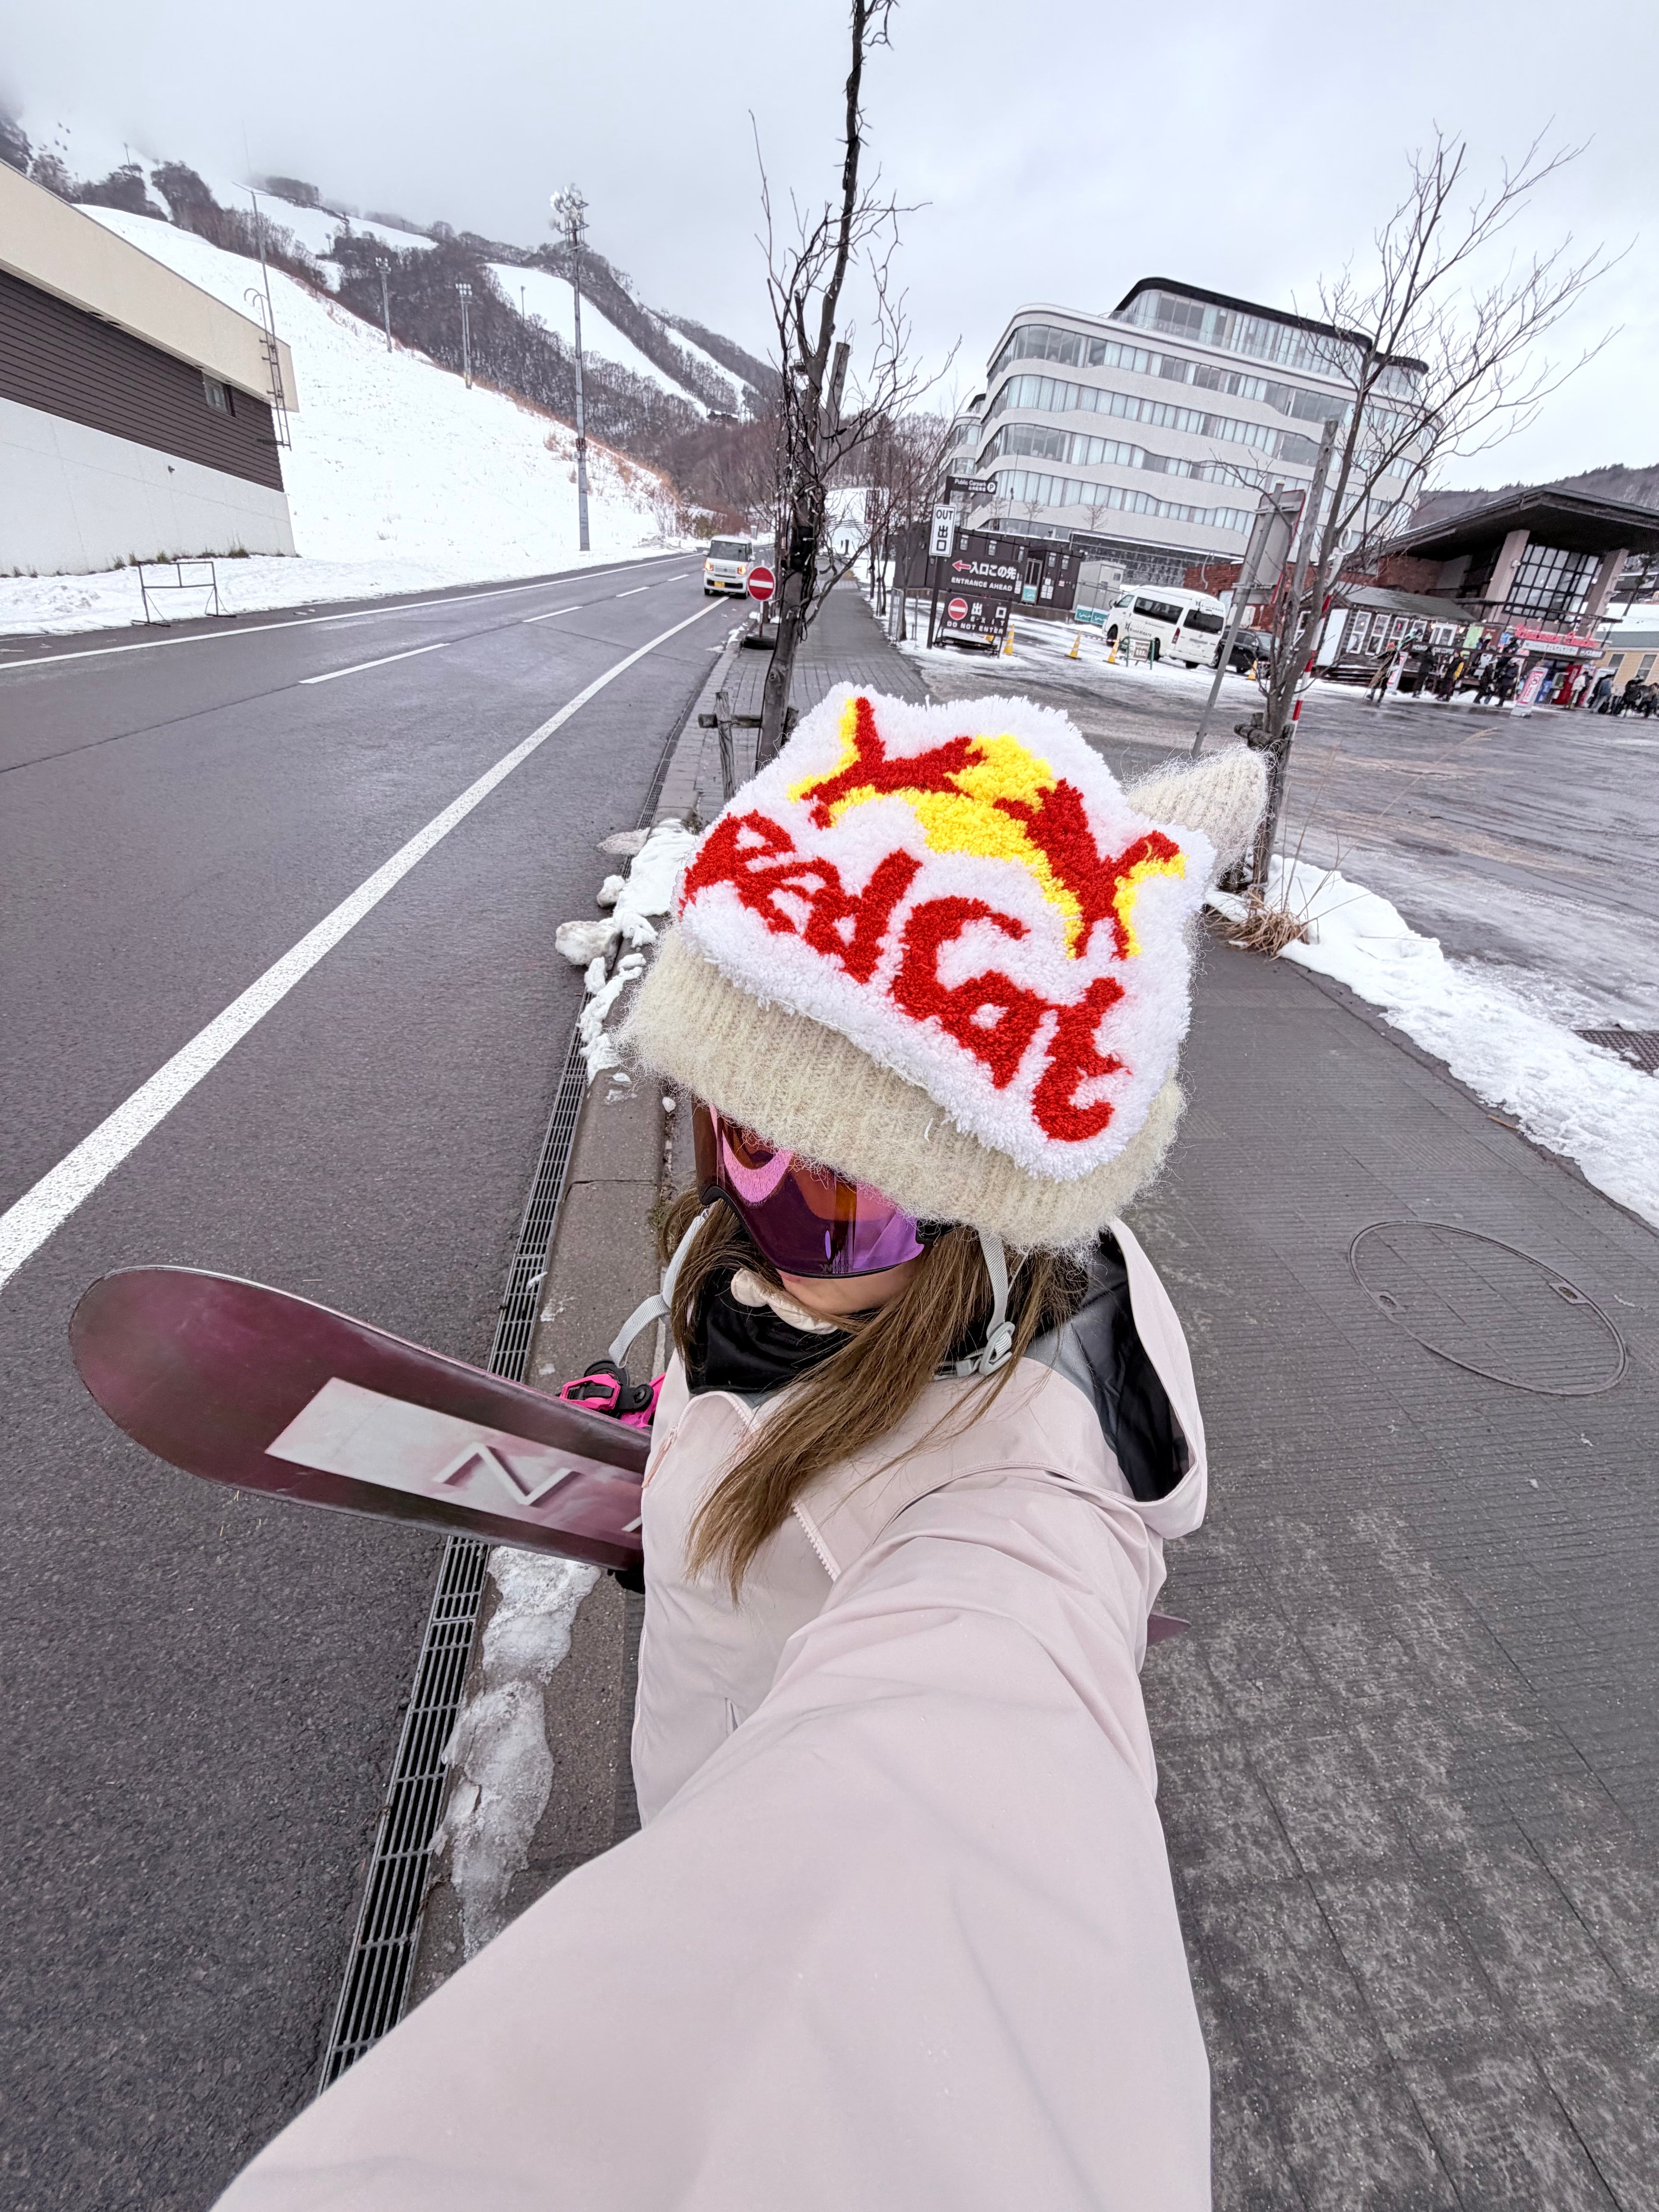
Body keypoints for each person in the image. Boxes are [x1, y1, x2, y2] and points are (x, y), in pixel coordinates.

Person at [211, 691, 1268, 2212]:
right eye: (735, 1140)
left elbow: (957, 1854)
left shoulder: (1018, 1508)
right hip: (702, 1738)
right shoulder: (829, 1281)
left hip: (743, 1799)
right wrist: (706, 1428)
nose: (774, 1224)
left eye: (855, 1193)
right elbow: (778, 1283)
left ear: (1001, 1201)